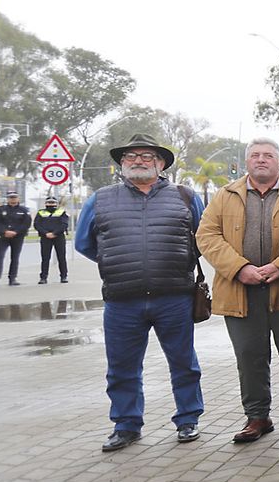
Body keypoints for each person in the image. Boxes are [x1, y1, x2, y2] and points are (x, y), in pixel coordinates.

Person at [76, 134, 206, 452]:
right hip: (122, 299)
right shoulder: (100, 199)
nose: (138, 161)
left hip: (174, 296)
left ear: (160, 164)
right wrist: (115, 261)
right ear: (122, 163)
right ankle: (126, 425)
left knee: (184, 363)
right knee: (121, 368)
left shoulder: (185, 197)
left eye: (146, 156)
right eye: (130, 156)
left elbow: (203, 239)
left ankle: (188, 419)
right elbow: (84, 243)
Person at [196, 138, 279, 441]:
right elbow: (206, 236)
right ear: (246, 162)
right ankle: (257, 417)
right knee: (249, 357)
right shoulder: (225, 195)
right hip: (239, 291)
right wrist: (240, 268)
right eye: (255, 155)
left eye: (268, 155)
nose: (261, 159)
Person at [0, 191, 31, 287]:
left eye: (14, 197)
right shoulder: (0, 210)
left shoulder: (24, 210)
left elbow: (26, 223)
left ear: (18, 198)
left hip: (18, 237)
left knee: (15, 258)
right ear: (7, 199)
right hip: (4, 236)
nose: (13, 199)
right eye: (11, 197)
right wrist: (4, 231)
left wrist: (16, 232)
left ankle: (12, 279)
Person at [35, 196, 70, 284]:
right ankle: (43, 277)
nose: (51, 204)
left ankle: (64, 276)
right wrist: (46, 233)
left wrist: (54, 233)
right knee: (45, 258)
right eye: (49, 202)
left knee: (61, 257)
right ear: (45, 203)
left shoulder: (61, 212)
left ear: (56, 203)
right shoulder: (41, 212)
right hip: (45, 237)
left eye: (52, 202)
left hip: (59, 237)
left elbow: (64, 224)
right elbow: (37, 224)